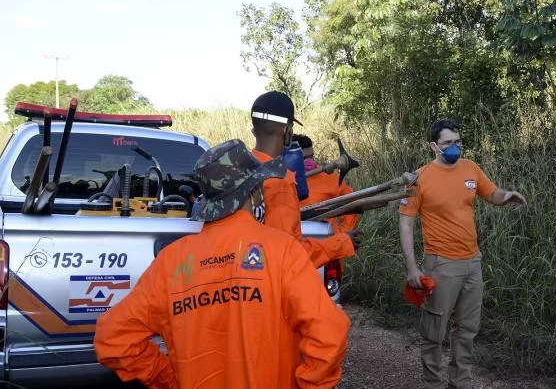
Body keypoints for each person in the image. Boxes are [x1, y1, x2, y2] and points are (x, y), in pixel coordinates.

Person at [94, 139, 350, 388]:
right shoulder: (282, 251)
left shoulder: (171, 262)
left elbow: (113, 338)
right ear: (254, 193)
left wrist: (170, 378)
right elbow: (329, 335)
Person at [400, 119, 526, 389]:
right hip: (440, 265)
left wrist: (507, 196)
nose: (454, 147)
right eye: (448, 143)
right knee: (434, 333)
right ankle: (432, 383)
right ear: (434, 146)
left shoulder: (470, 168)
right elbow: (406, 222)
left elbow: (492, 194)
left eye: (458, 142)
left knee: (467, 331)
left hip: (473, 263)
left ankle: (460, 383)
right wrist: (412, 268)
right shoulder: (419, 178)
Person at [249, 91, 361, 268]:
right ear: (286, 130)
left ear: (254, 131)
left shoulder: (240, 169)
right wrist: (341, 242)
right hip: (275, 284)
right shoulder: (279, 181)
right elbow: (289, 256)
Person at [296, 134, 359, 234]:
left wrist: (343, 235)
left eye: (311, 156)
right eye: (304, 158)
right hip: (294, 243)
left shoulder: (330, 178)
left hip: (326, 242)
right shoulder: (282, 180)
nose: (310, 161)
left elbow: (352, 205)